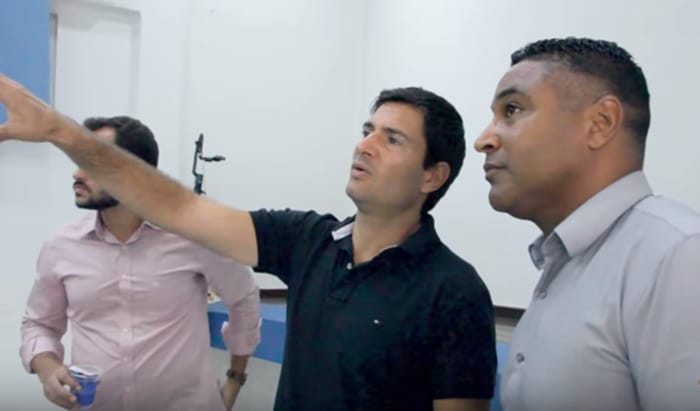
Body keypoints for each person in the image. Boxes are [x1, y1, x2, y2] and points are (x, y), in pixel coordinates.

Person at [0, 82, 497, 410]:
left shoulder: (454, 291)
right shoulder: (308, 241)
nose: (363, 145)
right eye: (367, 131)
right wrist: (61, 133)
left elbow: (240, 299)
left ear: (432, 175)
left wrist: (234, 380)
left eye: (392, 140)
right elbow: (180, 207)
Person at [474, 37, 700, 411]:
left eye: (512, 109)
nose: (483, 140)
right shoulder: (565, 259)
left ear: (600, 123)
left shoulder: (679, 256)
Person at [19, 115, 261, 411]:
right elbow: (39, 324)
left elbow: (244, 297)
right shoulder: (61, 246)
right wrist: (48, 369)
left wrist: (235, 378)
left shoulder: (193, 236)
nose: (77, 173)